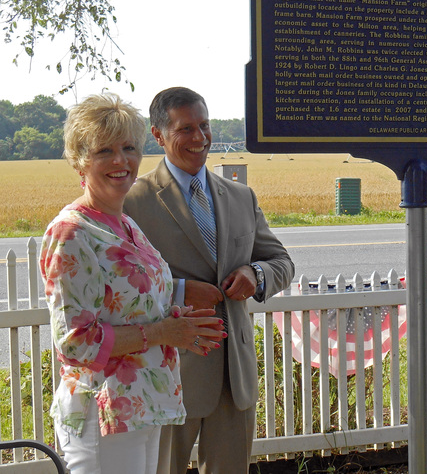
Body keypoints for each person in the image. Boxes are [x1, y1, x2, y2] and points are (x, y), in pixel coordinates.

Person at [40, 93, 226, 474]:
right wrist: (163, 332)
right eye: (104, 151)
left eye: (128, 148)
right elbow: (75, 342)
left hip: (143, 405)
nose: (121, 161)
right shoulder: (72, 233)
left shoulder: (126, 225)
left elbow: (137, 305)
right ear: (80, 159)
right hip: (103, 411)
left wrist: (180, 324)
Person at [124, 87, 295, 474]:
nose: (200, 137)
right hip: (169, 375)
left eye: (204, 126)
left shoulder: (240, 196)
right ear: (158, 135)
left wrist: (256, 275)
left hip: (234, 377)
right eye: (185, 128)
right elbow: (123, 287)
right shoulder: (133, 202)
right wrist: (181, 292)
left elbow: (281, 262)